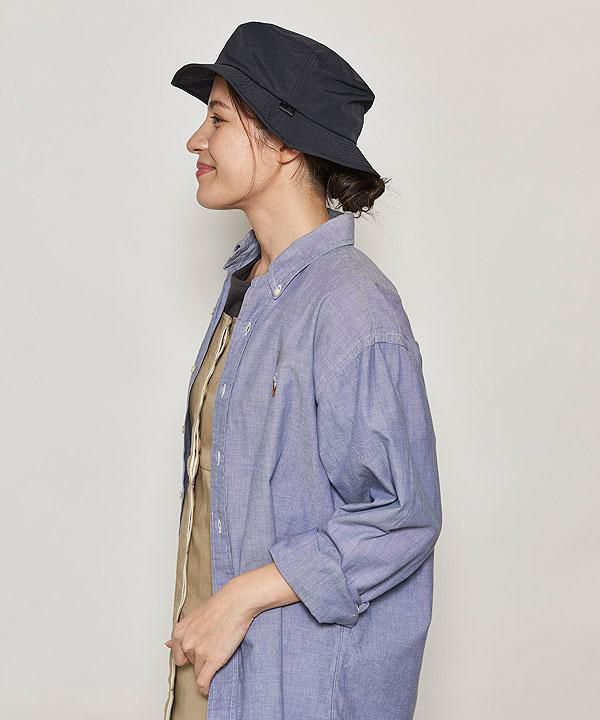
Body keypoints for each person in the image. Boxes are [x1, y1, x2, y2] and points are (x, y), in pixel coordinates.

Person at [164, 21, 442, 720]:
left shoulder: (351, 306)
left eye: (218, 118)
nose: (196, 140)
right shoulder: (248, 285)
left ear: (285, 141)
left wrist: (240, 597)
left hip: (304, 688)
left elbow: (401, 517)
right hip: (218, 673)